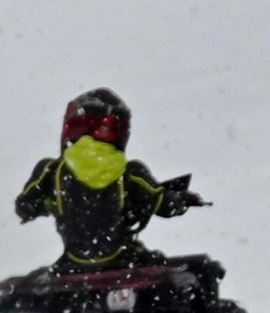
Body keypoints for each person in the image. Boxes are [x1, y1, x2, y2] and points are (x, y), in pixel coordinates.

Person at [13, 88, 201, 272]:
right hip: (124, 261)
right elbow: (163, 203)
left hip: (72, 265)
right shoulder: (130, 172)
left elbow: (25, 206)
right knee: (199, 272)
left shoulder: (51, 170)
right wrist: (182, 198)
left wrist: (49, 203)